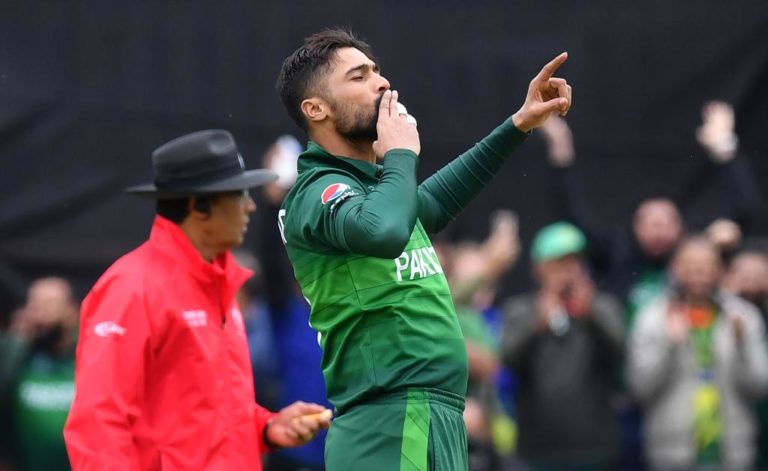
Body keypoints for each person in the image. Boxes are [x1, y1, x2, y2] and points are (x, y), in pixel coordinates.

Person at [275, 28, 571, 470]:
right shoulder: (318, 189)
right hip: (391, 420)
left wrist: (518, 125)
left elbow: (432, 202)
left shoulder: (375, 190)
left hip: (431, 414)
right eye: (358, 77)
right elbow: (385, 231)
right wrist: (399, 155)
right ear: (316, 108)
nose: (381, 83)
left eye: (377, 71)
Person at [63, 130, 331, 470]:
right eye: (239, 195)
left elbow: (207, 411)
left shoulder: (219, 288)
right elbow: (98, 425)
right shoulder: (132, 288)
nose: (250, 206)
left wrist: (265, 427)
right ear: (200, 206)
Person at [628, 237, 768, 470]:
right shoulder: (652, 318)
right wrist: (669, 344)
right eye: (690, 265)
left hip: (732, 451)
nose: (698, 274)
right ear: (674, 269)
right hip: (672, 451)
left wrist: (741, 344)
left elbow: (760, 387)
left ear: (720, 270)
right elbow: (640, 389)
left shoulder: (742, 316)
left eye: (706, 266)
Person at [501, 222, 624, 470]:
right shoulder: (520, 311)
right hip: (536, 450)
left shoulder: (603, 307)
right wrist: (537, 324)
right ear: (539, 269)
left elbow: (620, 356)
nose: (568, 270)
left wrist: (591, 316)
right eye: (559, 263)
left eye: (575, 262)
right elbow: (507, 362)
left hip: (594, 449)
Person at [0, 277, 79, 470]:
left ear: (72, 311)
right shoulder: (15, 354)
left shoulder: (87, 355)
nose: (41, 312)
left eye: (50, 303)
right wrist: (17, 341)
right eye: (34, 304)